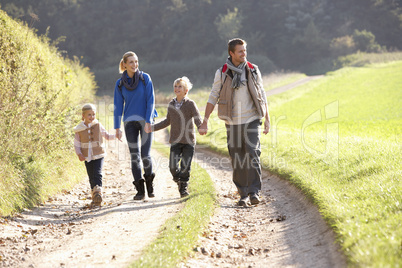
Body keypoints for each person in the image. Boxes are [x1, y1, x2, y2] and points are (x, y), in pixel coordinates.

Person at [199, 38, 270, 207]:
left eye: (245, 50)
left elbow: (262, 95)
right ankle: (243, 194)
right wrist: (205, 120)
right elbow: (213, 96)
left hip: (252, 119)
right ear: (231, 53)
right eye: (240, 51)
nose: (244, 54)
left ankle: (254, 192)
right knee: (237, 157)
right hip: (232, 122)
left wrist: (267, 118)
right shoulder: (222, 72)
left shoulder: (252, 70)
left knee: (253, 153)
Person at [114, 51, 158, 200]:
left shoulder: (145, 78)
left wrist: (148, 121)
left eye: (136, 61)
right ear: (125, 64)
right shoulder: (120, 84)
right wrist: (117, 127)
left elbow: (151, 101)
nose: (135, 65)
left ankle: (150, 186)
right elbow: (118, 106)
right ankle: (140, 191)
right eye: (131, 62)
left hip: (146, 121)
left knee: (145, 155)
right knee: (134, 156)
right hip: (129, 123)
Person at [149, 77, 202, 198]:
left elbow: (197, 117)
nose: (177, 88)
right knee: (173, 166)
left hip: (188, 141)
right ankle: (179, 180)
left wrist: (200, 127)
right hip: (175, 141)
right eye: (176, 86)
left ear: (186, 90)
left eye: (180, 87)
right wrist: (152, 128)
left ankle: (183, 188)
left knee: (185, 166)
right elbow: (167, 121)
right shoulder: (171, 104)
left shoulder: (190, 104)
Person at [74, 103, 116, 207]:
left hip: (99, 154)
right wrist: (79, 154)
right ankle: (94, 195)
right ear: (83, 115)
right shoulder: (79, 129)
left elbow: (106, 135)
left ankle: (98, 192)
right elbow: (77, 144)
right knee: (91, 176)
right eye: (89, 115)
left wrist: (116, 135)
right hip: (87, 156)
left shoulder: (98, 125)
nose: (92, 117)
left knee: (97, 173)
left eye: (93, 114)